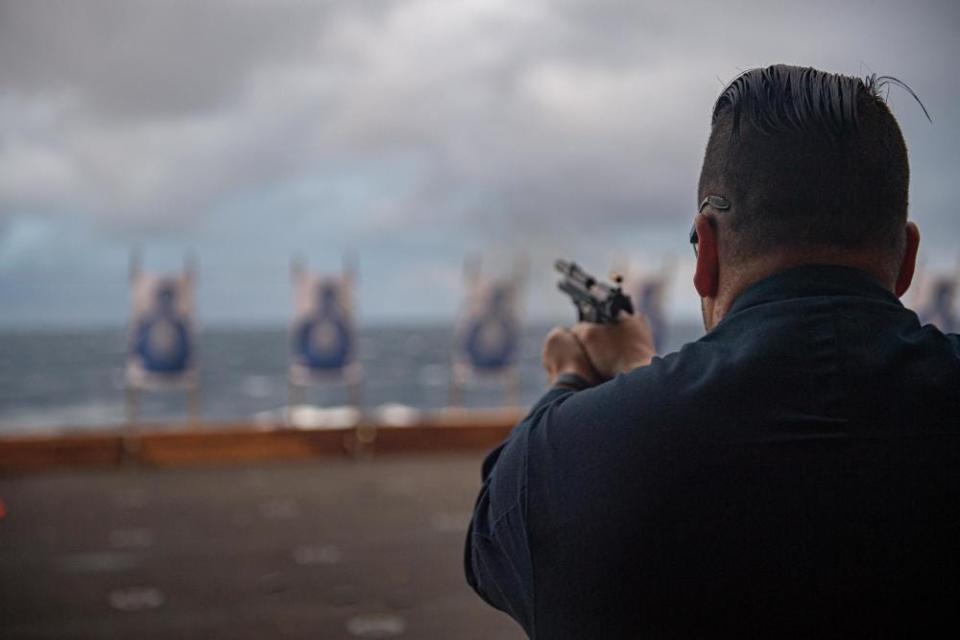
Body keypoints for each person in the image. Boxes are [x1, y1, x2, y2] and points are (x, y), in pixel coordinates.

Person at [464, 64, 960, 639]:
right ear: (907, 259)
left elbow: (490, 539)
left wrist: (573, 378)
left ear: (706, 255)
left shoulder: (570, 454)